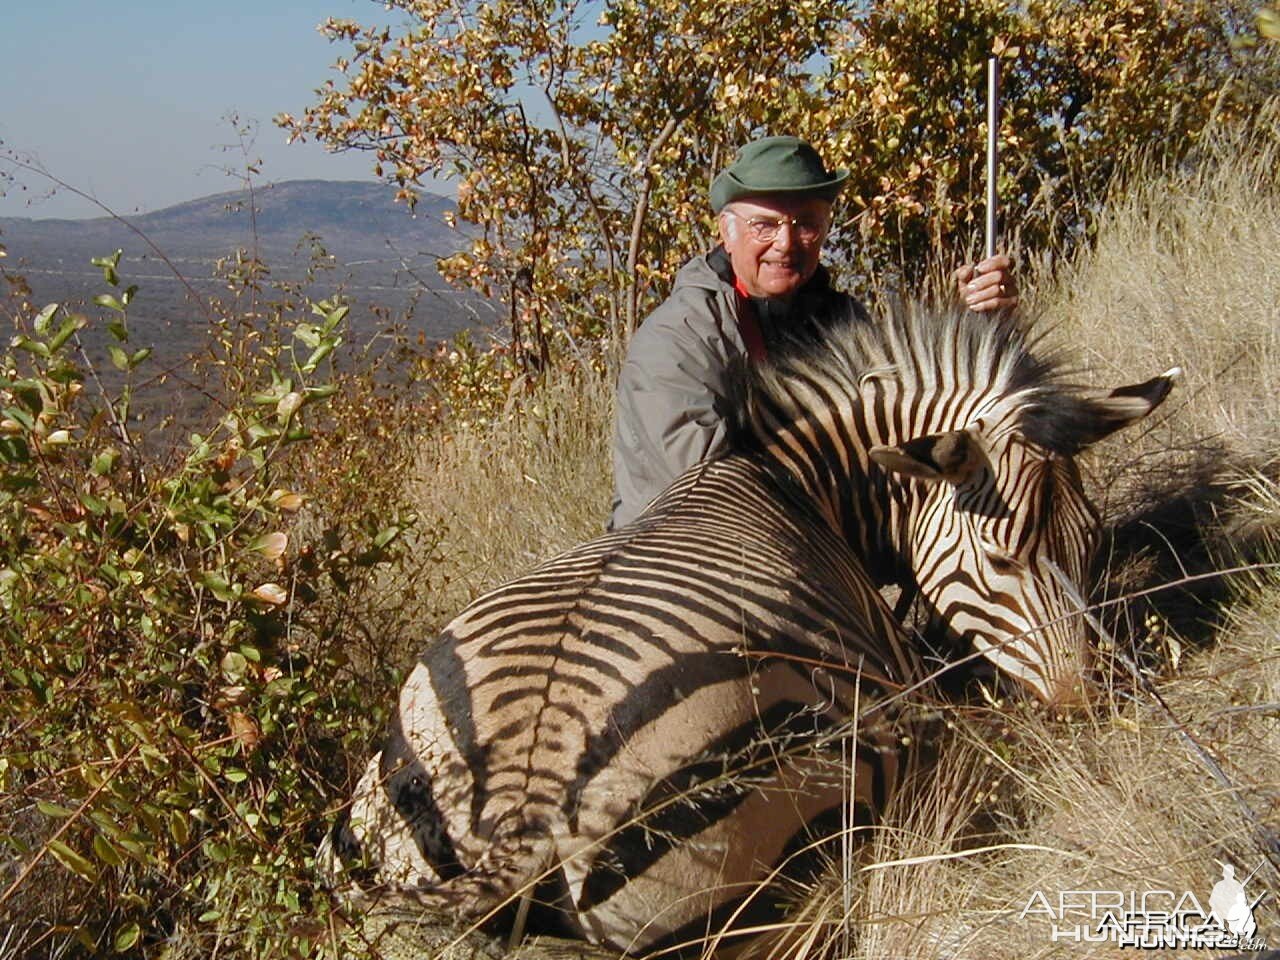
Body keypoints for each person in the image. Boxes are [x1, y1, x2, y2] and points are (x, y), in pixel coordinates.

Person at [608, 135, 1018, 530]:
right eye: (764, 226)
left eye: (806, 224)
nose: (786, 243)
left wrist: (978, 329)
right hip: (685, 555)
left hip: (812, 544)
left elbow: (912, 422)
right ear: (726, 233)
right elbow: (708, 487)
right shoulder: (678, 336)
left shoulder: (842, 320)